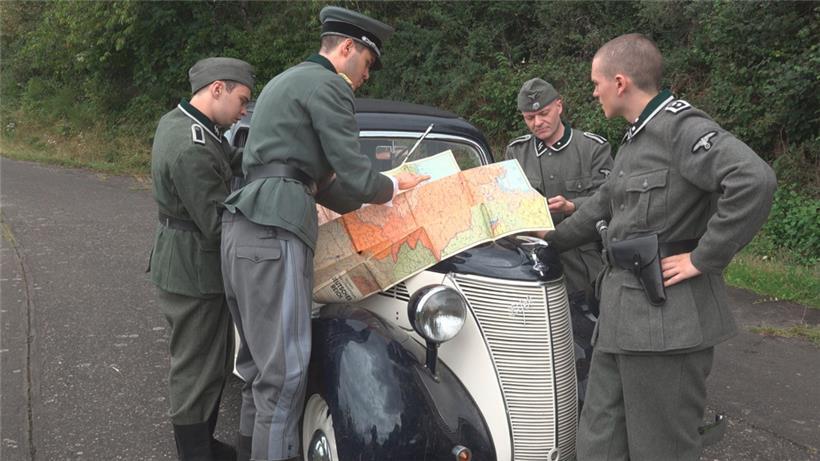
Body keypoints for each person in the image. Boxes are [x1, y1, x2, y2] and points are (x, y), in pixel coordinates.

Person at [545, 33, 776, 460]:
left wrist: (705, 256)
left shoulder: (681, 129)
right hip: (619, 320)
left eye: (595, 82)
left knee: (661, 449)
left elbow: (754, 180)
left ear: (619, 82)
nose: (592, 91)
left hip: (667, 324)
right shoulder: (636, 138)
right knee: (598, 443)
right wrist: (545, 240)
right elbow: (602, 204)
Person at [220, 7, 427, 461]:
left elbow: (323, 182)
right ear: (346, 49)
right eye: (367, 63)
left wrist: (364, 198)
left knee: (259, 372)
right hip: (277, 230)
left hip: (241, 230)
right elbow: (352, 170)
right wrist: (394, 185)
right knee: (287, 376)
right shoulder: (330, 84)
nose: (366, 76)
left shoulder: (283, 82)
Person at [149, 56, 254, 461]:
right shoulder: (191, 147)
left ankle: (204, 444)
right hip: (193, 269)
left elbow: (226, 161)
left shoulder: (184, 124)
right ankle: (195, 453)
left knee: (211, 363)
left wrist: (269, 153)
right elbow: (216, 222)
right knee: (195, 368)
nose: (244, 109)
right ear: (217, 89)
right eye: (241, 99)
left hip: (187, 261)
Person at [505, 79, 612, 400]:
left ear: (560, 106)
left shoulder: (592, 148)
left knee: (590, 347)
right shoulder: (516, 152)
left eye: (544, 114)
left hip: (583, 268)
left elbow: (612, 201)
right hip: (531, 269)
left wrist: (573, 207)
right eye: (529, 118)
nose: (537, 123)